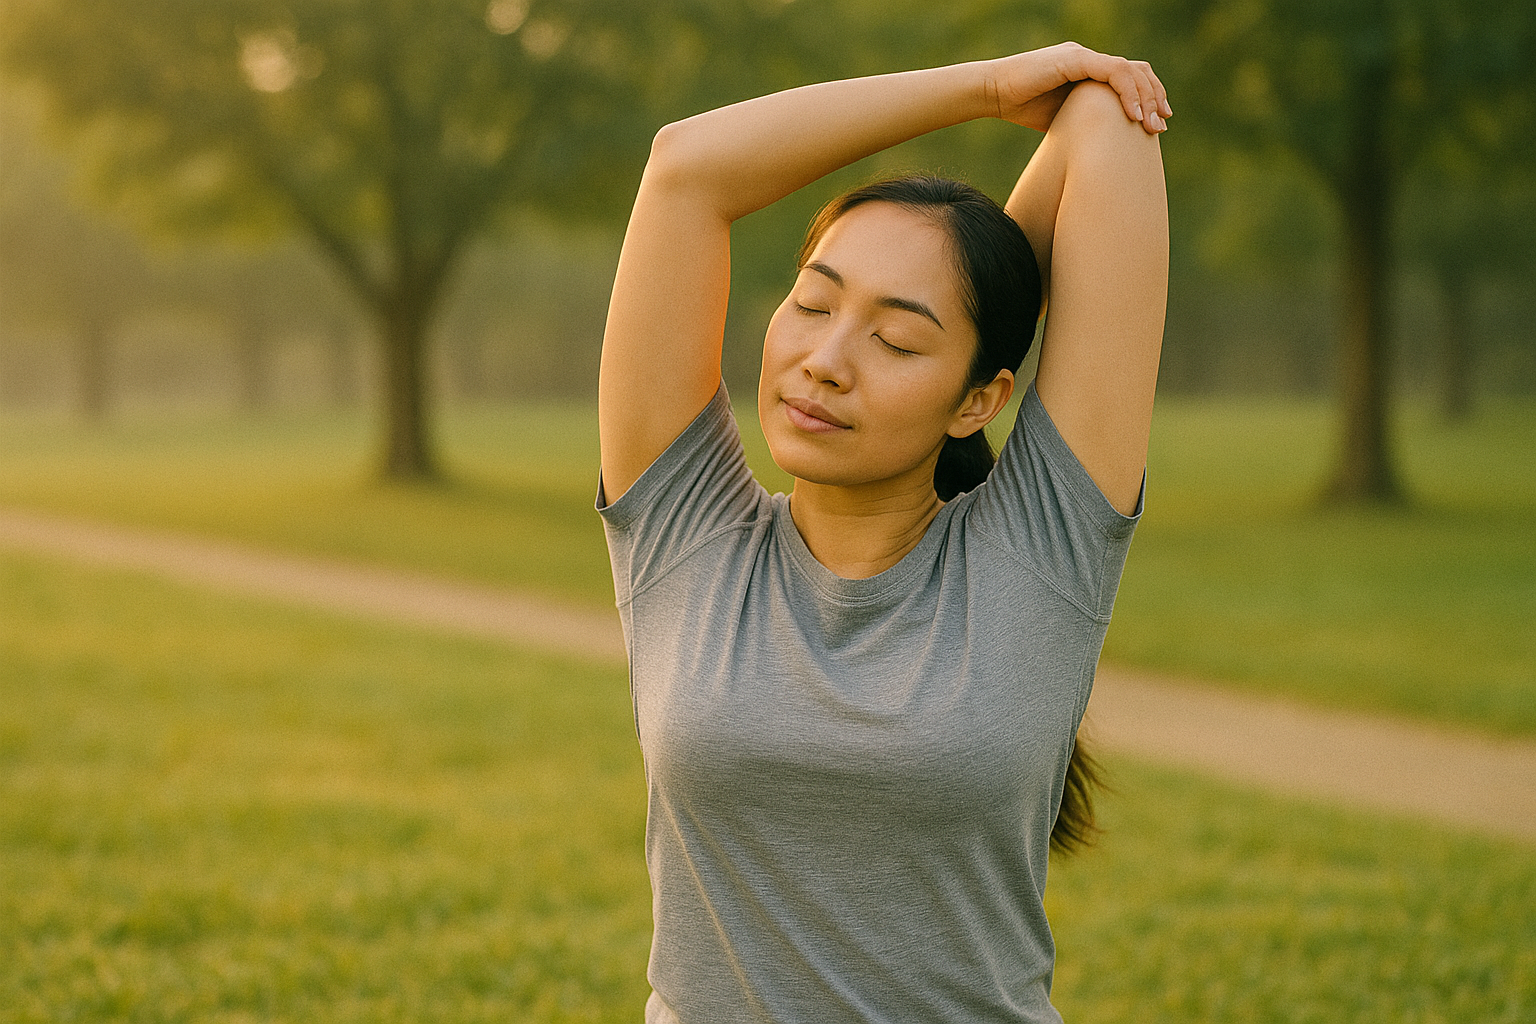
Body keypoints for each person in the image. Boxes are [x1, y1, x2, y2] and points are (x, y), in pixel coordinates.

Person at [596, 40, 1169, 1024]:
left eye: (896, 338)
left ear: (981, 399)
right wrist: (983, 89)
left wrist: (979, 282)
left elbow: (1108, 116)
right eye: (814, 302)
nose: (824, 359)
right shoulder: (685, 532)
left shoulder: (1037, 555)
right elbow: (686, 169)